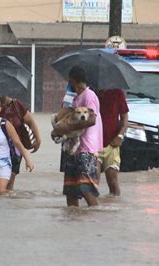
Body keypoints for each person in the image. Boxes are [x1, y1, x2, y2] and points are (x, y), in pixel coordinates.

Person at [52, 66, 103, 207]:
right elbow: (66, 120)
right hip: (73, 148)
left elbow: (92, 120)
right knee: (70, 190)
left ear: (72, 80)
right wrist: (58, 131)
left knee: (86, 189)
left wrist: (66, 128)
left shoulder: (89, 96)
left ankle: (94, 218)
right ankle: (73, 223)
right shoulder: (75, 99)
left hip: (87, 148)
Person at [95, 88, 129, 196]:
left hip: (112, 143)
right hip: (94, 144)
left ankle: (114, 208)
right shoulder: (91, 93)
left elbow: (124, 119)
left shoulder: (118, 92)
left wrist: (120, 135)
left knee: (113, 182)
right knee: (93, 181)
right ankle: (93, 209)